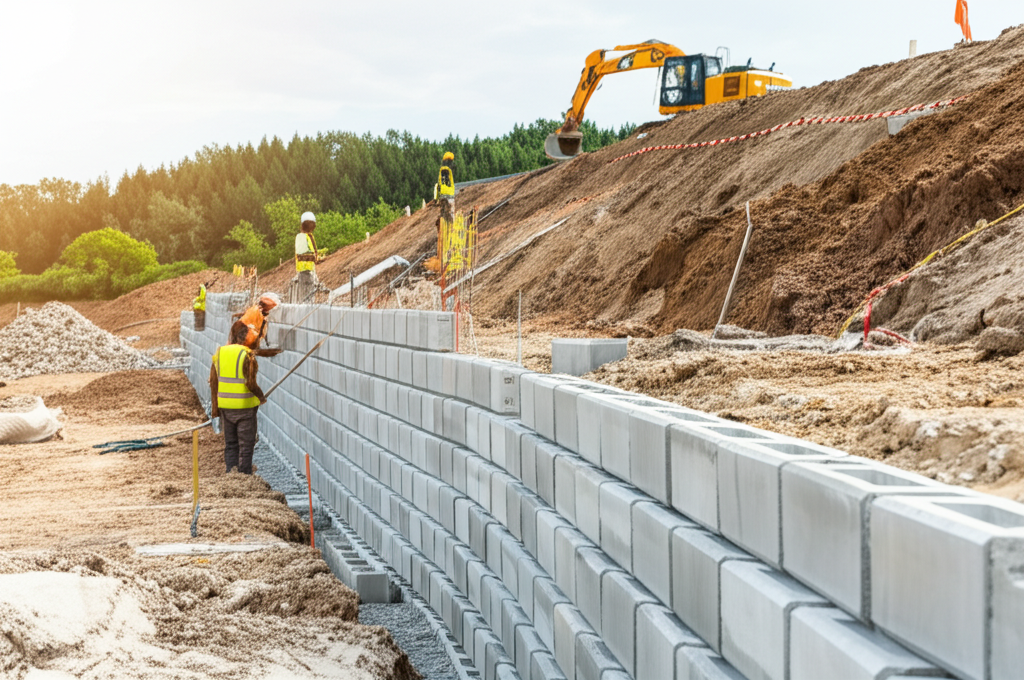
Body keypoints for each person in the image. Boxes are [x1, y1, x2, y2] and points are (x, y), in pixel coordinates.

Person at [209, 320, 266, 474]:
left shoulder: (220, 352)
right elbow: (250, 382)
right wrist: (261, 397)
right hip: (244, 407)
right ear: (245, 337)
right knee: (246, 446)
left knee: (231, 444)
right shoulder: (246, 354)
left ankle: (231, 475)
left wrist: (215, 409)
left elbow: (213, 381)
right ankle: (245, 477)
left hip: (226, 408)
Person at [294, 211, 321, 301]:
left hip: (309, 270)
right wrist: (314, 258)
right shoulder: (301, 237)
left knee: (310, 297)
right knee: (307, 298)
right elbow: (301, 256)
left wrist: (317, 257)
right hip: (304, 271)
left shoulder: (309, 236)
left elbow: (311, 252)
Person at [436, 152, 455, 224]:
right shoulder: (449, 172)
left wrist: (437, 199)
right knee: (450, 211)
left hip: (443, 195)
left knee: (443, 211)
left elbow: (438, 187)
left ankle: (445, 221)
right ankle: (451, 222)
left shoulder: (443, 171)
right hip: (450, 195)